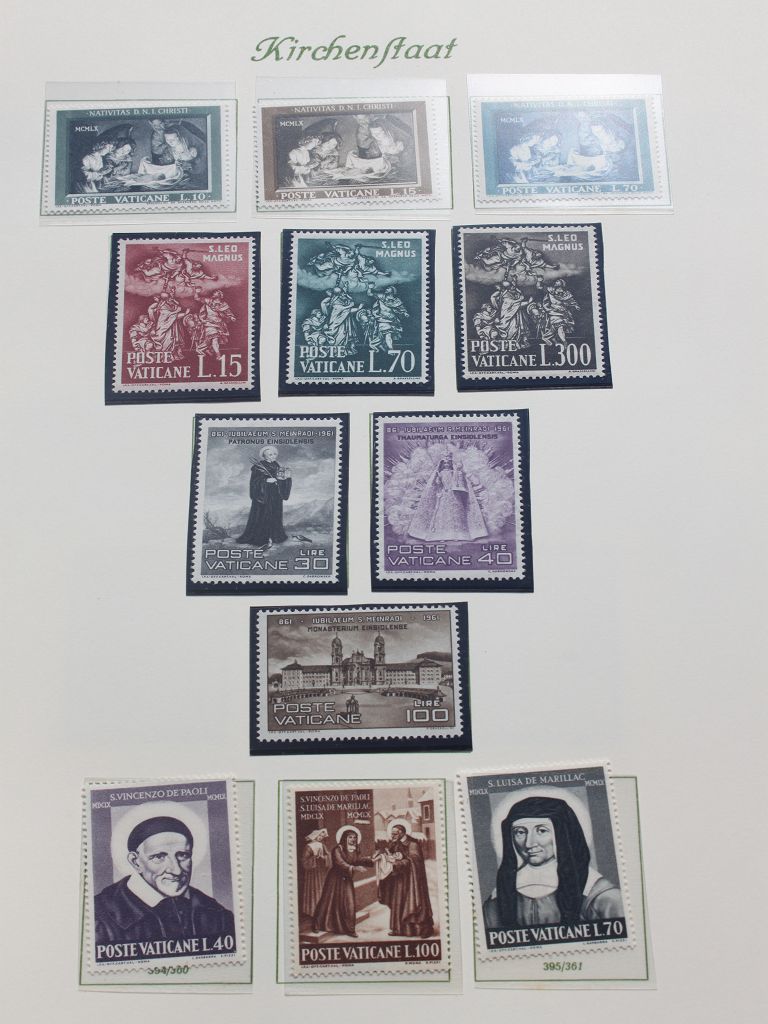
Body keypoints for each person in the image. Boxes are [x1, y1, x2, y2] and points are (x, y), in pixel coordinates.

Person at [482, 796, 624, 930]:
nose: (529, 843)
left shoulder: (601, 896)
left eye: (542, 831)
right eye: (520, 832)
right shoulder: (500, 897)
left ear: (562, 834)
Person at [94, 815, 235, 945]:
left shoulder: (217, 915)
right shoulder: (98, 917)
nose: (176, 870)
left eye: (183, 855)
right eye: (159, 857)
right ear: (136, 862)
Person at [407, 452, 488, 542]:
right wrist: (438, 478)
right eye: (445, 463)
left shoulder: (454, 472)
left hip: (454, 495)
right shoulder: (441, 473)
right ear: (442, 464)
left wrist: (458, 473)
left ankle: (457, 535)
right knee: (443, 515)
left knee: (456, 514)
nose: (446, 464)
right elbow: (438, 484)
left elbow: (458, 482)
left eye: (448, 462)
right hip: (444, 495)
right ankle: (442, 535)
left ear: (451, 463)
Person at [312, 827, 374, 937]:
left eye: (354, 837)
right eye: (350, 837)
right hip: (334, 880)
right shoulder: (337, 849)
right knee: (328, 901)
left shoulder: (355, 849)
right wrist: (354, 868)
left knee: (349, 903)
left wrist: (372, 860)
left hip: (346, 879)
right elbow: (340, 863)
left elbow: (358, 860)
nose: (353, 839)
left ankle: (350, 930)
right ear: (345, 838)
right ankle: (317, 924)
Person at [376, 822, 434, 938]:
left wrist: (398, 863)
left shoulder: (413, 844)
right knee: (398, 903)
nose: (392, 836)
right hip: (398, 880)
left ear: (402, 833)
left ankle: (422, 929)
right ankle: (399, 929)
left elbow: (414, 860)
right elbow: (389, 855)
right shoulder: (394, 844)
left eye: (395, 834)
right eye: (392, 833)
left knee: (414, 902)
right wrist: (384, 858)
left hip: (412, 881)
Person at [236, 445, 292, 548]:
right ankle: (262, 538)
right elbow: (254, 482)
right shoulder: (258, 466)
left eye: (274, 454)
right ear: (264, 456)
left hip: (275, 495)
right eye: (270, 454)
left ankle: (275, 536)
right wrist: (266, 480)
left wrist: (285, 478)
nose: (273, 456)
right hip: (264, 496)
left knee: (275, 514)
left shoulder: (276, 465)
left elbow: (280, 477)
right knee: (264, 515)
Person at [193, 288, 236, 357]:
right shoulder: (208, 301)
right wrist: (196, 292)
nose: (214, 293)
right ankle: (218, 355)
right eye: (214, 292)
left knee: (210, 340)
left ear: (220, 294)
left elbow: (229, 313)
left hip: (219, 325)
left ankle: (200, 348)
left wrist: (231, 317)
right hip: (209, 323)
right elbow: (197, 298)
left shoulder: (224, 305)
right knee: (214, 338)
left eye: (216, 292)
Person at [300, 829, 330, 919]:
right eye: (320, 836)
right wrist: (314, 858)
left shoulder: (322, 845)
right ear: (315, 835)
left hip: (322, 872)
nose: (321, 838)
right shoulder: (308, 846)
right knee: (314, 890)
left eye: (322, 836)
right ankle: (313, 911)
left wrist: (324, 858)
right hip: (312, 873)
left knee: (323, 889)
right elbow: (304, 861)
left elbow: (328, 856)